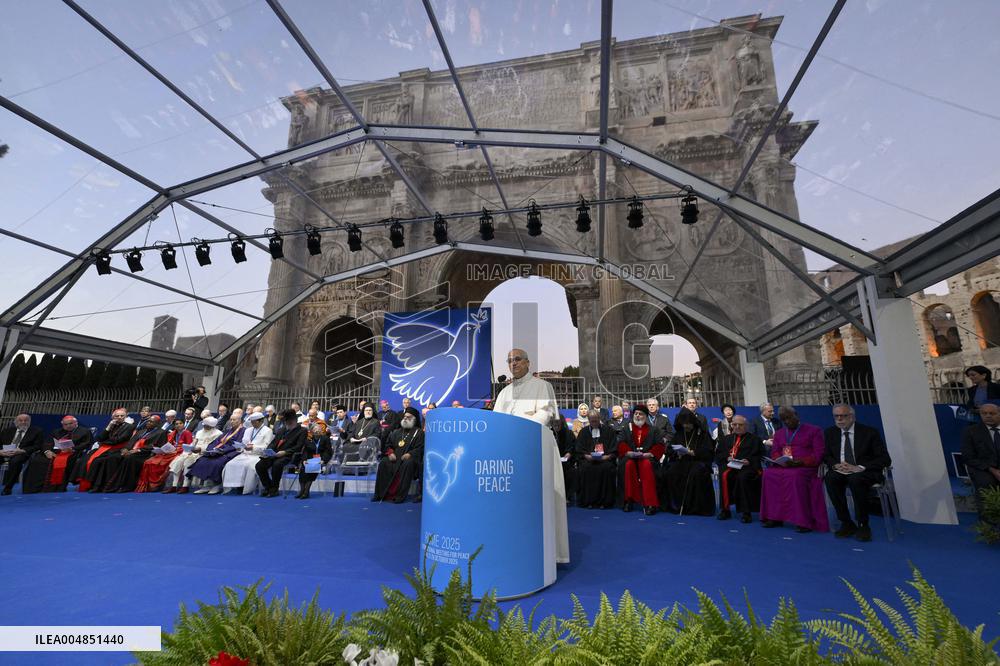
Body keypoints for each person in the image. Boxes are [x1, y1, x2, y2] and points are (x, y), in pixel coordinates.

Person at [492, 348, 570, 565]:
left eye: (517, 359)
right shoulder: (504, 393)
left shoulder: (542, 386)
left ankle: (547, 552)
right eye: (509, 360)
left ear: (528, 363)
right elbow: (496, 422)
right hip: (509, 454)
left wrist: (518, 432)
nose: (513, 363)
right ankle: (515, 548)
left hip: (536, 449)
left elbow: (545, 414)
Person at [823, 404, 892, 542]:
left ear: (852, 417)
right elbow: (826, 455)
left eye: (843, 416)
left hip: (864, 471)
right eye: (836, 416)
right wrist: (835, 465)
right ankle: (846, 522)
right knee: (830, 478)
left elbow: (885, 459)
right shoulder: (830, 433)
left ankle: (863, 524)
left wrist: (859, 467)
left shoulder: (870, 433)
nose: (840, 419)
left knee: (856, 479)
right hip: (841, 471)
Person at [760, 406, 829, 533]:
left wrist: (800, 461)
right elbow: (775, 452)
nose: (787, 422)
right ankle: (774, 517)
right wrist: (780, 460)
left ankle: (802, 520)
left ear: (797, 416)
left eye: (789, 418)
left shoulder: (814, 430)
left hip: (805, 467)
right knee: (768, 474)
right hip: (785, 466)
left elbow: (818, 454)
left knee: (794, 476)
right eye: (784, 419)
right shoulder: (780, 433)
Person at [659, 408, 715, 516]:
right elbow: (670, 449)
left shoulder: (702, 434)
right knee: (670, 473)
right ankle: (675, 505)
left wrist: (694, 453)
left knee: (695, 474)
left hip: (697, 461)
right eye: (684, 424)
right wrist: (677, 453)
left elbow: (708, 451)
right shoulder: (679, 434)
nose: (686, 426)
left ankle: (694, 507)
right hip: (681, 461)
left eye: (688, 424)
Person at [20, 415, 92, 494]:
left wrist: (73, 449)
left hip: (73, 453)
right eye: (65, 424)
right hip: (55, 452)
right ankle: (34, 488)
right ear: (62, 424)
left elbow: (87, 444)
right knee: (36, 460)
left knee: (62, 461)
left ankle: (55, 487)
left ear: (76, 423)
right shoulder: (57, 432)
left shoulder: (85, 431)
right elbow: (47, 443)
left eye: (70, 423)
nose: (68, 426)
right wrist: (47, 451)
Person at [616, 405, 666, 516]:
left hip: (647, 458)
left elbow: (660, 445)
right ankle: (628, 500)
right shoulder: (626, 428)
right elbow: (621, 443)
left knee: (646, 465)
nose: (638, 416)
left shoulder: (654, 430)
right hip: (631, 457)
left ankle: (650, 503)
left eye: (641, 414)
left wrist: (650, 453)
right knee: (628, 465)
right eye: (636, 414)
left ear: (645, 416)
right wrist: (628, 452)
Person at [715, 415, 764, 523]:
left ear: (746, 426)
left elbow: (759, 455)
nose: (737, 427)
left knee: (742, 477)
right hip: (730, 467)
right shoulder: (726, 439)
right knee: (724, 475)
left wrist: (749, 461)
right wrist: (726, 458)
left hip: (747, 467)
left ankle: (746, 512)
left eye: (740, 425)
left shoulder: (754, 439)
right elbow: (718, 454)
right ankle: (725, 509)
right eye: (734, 424)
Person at [74, 409, 135, 492]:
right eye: (117, 416)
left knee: (97, 461)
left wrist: (104, 442)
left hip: (117, 449)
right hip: (106, 447)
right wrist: (108, 427)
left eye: (122, 416)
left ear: (125, 416)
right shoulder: (112, 425)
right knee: (85, 459)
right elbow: (100, 438)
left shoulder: (129, 426)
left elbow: (119, 439)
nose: (119, 417)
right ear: (113, 417)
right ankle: (87, 484)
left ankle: (97, 485)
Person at [372, 407, 424, 503]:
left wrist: (410, 454)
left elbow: (420, 448)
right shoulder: (396, 432)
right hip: (395, 458)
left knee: (408, 464)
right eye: (404, 417)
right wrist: (390, 453)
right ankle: (379, 494)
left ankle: (399, 496)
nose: (405, 419)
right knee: (383, 462)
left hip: (409, 459)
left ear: (414, 419)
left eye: (408, 417)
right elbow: (388, 445)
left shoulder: (419, 433)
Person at [959, 401, 1000, 520]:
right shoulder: (971, 431)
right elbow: (968, 457)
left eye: (992, 413)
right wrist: (993, 470)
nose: (988, 416)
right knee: (986, 482)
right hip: (983, 468)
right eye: (984, 413)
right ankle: (988, 522)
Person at [163, 417, 222, 494]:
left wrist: (200, 449)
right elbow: (194, 442)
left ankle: (185, 486)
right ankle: (174, 486)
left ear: (212, 426)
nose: (204, 427)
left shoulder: (218, 433)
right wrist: (190, 448)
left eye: (206, 425)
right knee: (178, 461)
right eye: (204, 425)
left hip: (204, 453)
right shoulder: (199, 432)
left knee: (187, 462)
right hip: (193, 451)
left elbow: (215, 446)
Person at [256, 409, 307, 498]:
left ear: (294, 420)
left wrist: (285, 452)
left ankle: (274, 489)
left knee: (277, 464)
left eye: (288, 421)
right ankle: (268, 487)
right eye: (285, 421)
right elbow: (273, 442)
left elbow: (299, 446)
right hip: (274, 454)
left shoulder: (302, 431)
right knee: (259, 465)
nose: (286, 423)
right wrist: (269, 451)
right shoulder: (281, 429)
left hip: (290, 455)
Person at [221, 411, 274, 495]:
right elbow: (243, 442)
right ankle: (234, 486)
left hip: (258, 455)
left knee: (247, 466)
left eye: (254, 422)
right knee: (230, 464)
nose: (252, 424)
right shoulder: (248, 430)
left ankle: (244, 487)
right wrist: (240, 446)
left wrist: (253, 447)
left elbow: (266, 447)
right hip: (245, 453)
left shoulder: (268, 431)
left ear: (260, 421)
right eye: (251, 422)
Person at [189, 416, 245, 494]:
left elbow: (238, 444)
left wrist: (223, 450)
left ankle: (217, 485)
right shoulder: (227, 431)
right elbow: (217, 441)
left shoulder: (243, 431)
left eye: (234, 419)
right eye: (231, 419)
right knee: (202, 460)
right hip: (218, 451)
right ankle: (206, 485)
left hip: (231, 451)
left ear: (240, 421)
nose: (232, 421)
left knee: (216, 463)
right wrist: (211, 449)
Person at [575, 411, 617, 509]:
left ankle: (605, 502)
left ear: (599, 419)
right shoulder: (584, 431)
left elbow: (614, 448)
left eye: (596, 421)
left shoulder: (609, 430)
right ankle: (588, 501)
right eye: (592, 421)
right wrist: (586, 456)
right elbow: (579, 449)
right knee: (585, 469)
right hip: (588, 460)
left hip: (605, 459)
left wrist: (607, 457)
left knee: (607, 469)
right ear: (589, 420)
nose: (594, 423)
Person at [136, 419, 190, 492]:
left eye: (180, 423)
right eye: (176, 424)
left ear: (183, 424)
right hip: (169, 452)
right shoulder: (172, 434)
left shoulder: (187, 433)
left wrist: (176, 450)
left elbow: (188, 447)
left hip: (180, 453)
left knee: (163, 463)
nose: (178, 425)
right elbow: (167, 444)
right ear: (174, 426)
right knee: (149, 462)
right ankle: (149, 486)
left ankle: (158, 485)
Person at [0, 414, 45, 495]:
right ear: (16, 422)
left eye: (26, 420)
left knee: (15, 461)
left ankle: (8, 488)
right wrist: (0, 451)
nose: (23, 422)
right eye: (20, 420)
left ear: (30, 421)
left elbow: (38, 446)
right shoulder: (6, 431)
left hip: (21, 453)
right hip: (4, 452)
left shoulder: (37, 431)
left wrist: (22, 451)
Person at [296, 421, 334, 500]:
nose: (317, 430)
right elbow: (305, 451)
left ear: (321, 431)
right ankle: (302, 490)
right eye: (315, 429)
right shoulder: (309, 440)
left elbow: (328, 451)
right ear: (312, 431)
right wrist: (304, 460)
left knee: (312, 467)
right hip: (310, 459)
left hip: (320, 459)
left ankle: (306, 491)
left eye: (319, 429)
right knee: (303, 469)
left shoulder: (325, 439)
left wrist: (323, 460)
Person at [552, 414, 578, 505]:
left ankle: (566, 496)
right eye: (554, 424)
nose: (556, 426)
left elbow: (571, 448)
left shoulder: (568, 433)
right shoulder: (549, 433)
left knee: (569, 471)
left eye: (558, 424)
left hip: (565, 461)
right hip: (551, 460)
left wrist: (568, 454)